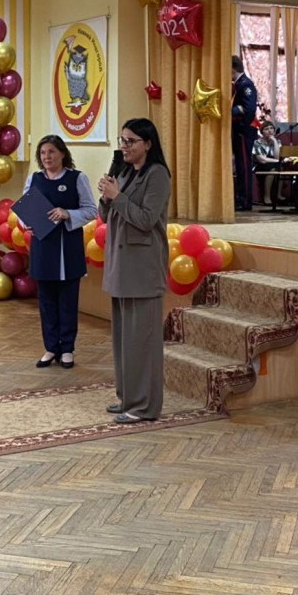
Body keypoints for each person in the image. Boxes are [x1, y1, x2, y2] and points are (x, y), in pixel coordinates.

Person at [97, 118, 171, 425]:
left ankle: (144, 407)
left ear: (148, 144)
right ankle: (127, 397)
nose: (124, 146)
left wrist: (118, 196)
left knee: (143, 342)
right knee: (124, 341)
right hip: (121, 266)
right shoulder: (125, 172)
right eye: (122, 140)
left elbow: (146, 219)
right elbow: (104, 215)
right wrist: (106, 196)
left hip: (143, 268)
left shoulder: (158, 175)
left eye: (131, 141)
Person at [23, 135, 97, 369]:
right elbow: (23, 210)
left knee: (67, 302)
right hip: (42, 248)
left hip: (67, 250)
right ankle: (51, 347)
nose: (47, 157)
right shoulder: (34, 179)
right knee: (46, 302)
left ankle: (67, 349)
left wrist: (68, 214)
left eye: (52, 151)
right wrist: (27, 223)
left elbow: (91, 210)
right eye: (43, 153)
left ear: (62, 153)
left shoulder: (77, 178)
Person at [231, 55, 258, 211]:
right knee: (239, 165)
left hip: (243, 130)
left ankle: (245, 200)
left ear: (232, 69)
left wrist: (230, 110)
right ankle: (240, 198)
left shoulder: (246, 84)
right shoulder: (238, 84)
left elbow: (249, 108)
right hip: (238, 129)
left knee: (244, 166)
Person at [252, 120, 284, 205]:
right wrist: (277, 161)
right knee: (272, 169)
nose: (270, 131)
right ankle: (267, 197)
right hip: (261, 166)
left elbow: (277, 156)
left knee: (281, 169)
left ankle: (278, 195)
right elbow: (261, 159)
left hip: (274, 164)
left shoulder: (277, 142)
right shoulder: (257, 142)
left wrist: (275, 142)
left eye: (271, 128)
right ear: (262, 132)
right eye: (266, 129)